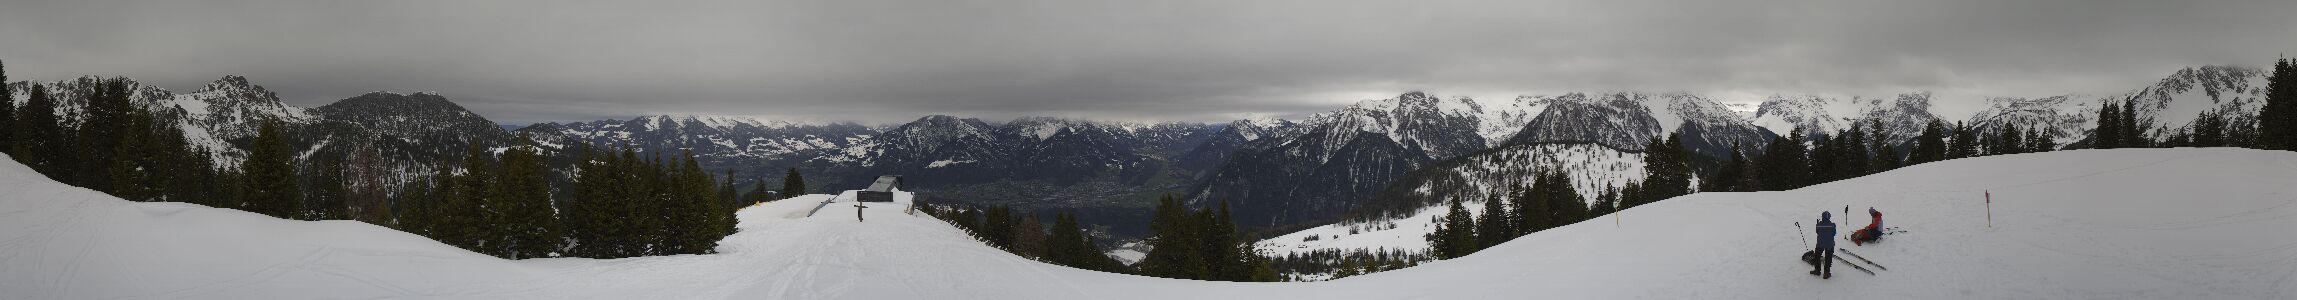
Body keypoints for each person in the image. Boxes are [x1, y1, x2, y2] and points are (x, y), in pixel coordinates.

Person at [1812, 211, 1836, 279]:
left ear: (1822, 217)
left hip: (1820, 243)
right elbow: (1834, 233)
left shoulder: (1818, 225)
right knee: (1828, 258)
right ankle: (1826, 273)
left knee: (1817, 257)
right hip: (1830, 244)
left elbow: (1817, 232)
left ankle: (1817, 270)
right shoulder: (1833, 225)